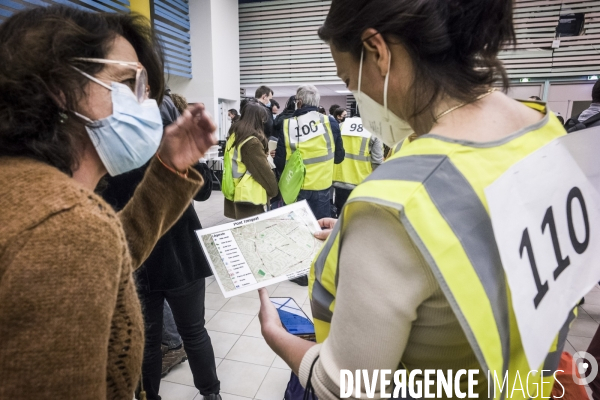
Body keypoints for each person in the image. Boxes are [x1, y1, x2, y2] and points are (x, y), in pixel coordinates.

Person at [258, 0, 569, 398]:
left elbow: (345, 387)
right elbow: (479, 237)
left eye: (350, 79)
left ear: (378, 52)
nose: (355, 93)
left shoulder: (392, 204)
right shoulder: (547, 131)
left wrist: (276, 336)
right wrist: (363, 243)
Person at [0, 5, 217, 399]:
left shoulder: (26, 193)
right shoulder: (65, 223)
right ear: (59, 89)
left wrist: (168, 168)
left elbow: (110, 256)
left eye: (146, 89)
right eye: (128, 83)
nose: (145, 103)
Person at [101, 89, 220, 400]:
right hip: (180, 256)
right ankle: (211, 394)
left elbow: (108, 204)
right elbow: (205, 190)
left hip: (143, 259)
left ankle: (151, 396)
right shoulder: (165, 142)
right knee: (193, 332)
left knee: (150, 340)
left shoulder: (114, 151)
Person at [274, 85, 345, 220]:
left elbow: (280, 162)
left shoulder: (288, 125)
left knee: (297, 230)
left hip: (296, 186)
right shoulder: (330, 122)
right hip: (322, 187)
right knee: (321, 227)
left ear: (299, 102)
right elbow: (339, 157)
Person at [224, 101, 278, 219]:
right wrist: (274, 191)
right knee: (252, 234)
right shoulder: (251, 142)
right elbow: (262, 171)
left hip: (235, 189)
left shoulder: (234, 135)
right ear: (258, 119)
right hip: (248, 195)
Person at [332, 116, 383, 214]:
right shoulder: (374, 131)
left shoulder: (341, 126)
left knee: (341, 217)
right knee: (358, 218)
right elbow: (377, 162)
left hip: (340, 181)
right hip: (362, 183)